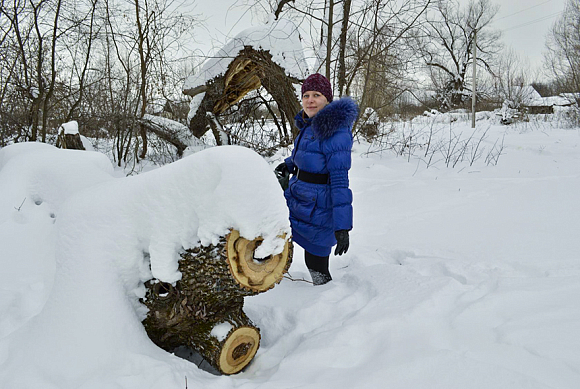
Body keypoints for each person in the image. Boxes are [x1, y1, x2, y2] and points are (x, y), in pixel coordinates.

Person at [275, 73, 358, 285]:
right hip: (297, 198)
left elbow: (340, 181)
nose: (310, 100)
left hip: (319, 208)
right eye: (306, 95)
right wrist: (289, 164)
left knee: (316, 262)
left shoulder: (335, 132)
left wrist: (342, 227)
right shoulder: (309, 125)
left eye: (317, 95)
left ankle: (326, 301)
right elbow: (307, 155)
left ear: (327, 100)